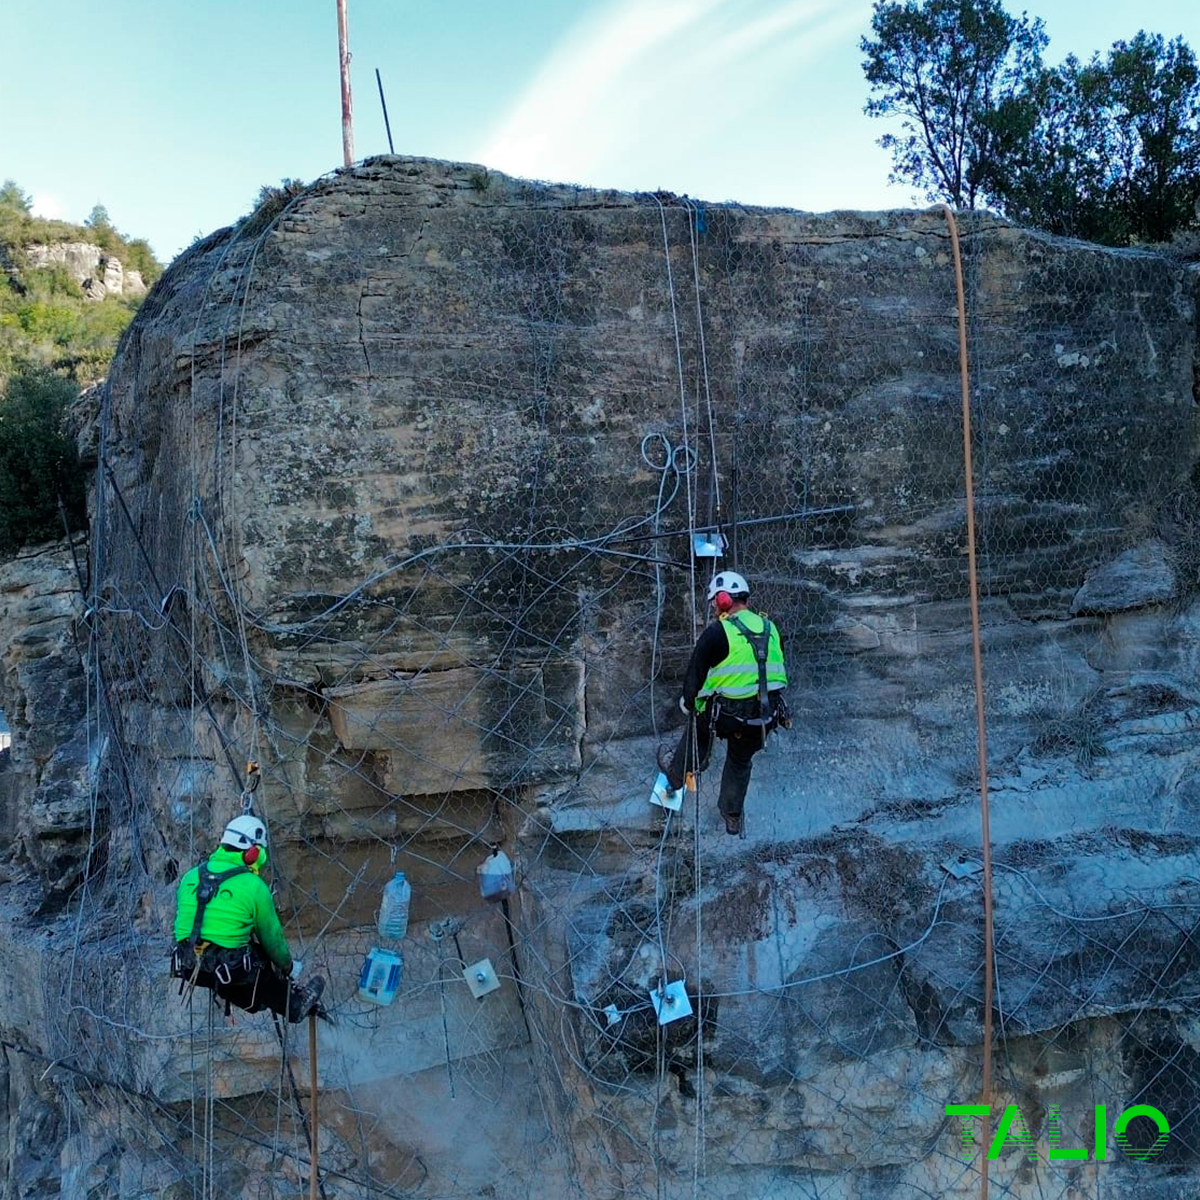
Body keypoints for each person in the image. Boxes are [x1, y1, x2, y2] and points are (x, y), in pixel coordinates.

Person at [662, 571, 789, 835]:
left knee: (698, 720)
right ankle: (732, 815)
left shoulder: (718, 631)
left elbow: (695, 673)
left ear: (723, 600)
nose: (713, 608)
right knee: (740, 760)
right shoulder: (770, 627)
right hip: (766, 716)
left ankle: (676, 778)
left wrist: (688, 703)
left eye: (713, 603)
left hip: (729, 716)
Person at [171, 814, 326, 1022]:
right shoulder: (253, 886)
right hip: (228, 969)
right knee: (259, 960)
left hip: (189, 966)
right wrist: (288, 966)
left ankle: (254, 1000)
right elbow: (272, 937)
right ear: (252, 852)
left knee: (237, 957)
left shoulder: (190, 876)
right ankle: (295, 1007)